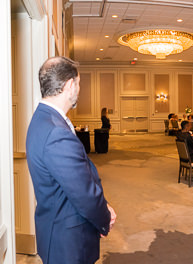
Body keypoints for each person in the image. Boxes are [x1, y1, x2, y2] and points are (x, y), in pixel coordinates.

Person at [26, 57, 116, 264]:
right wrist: (104, 219)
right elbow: (83, 193)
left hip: (56, 228)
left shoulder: (43, 118)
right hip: (68, 239)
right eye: (79, 83)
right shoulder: (56, 131)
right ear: (69, 85)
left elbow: (75, 177)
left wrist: (104, 204)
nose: (79, 89)